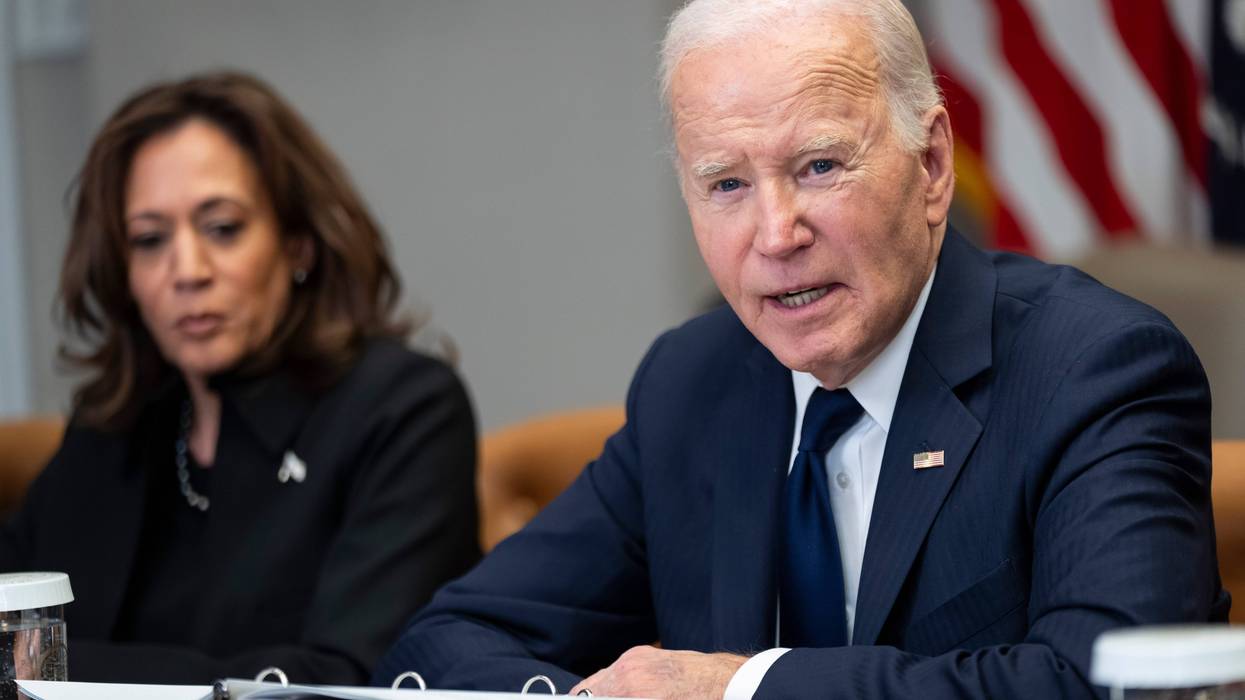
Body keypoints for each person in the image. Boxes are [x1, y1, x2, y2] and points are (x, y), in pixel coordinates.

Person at [374, 1, 1228, 697]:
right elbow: (452, 641)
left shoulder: (1095, 368)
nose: (774, 234)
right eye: (726, 185)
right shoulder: (694, 382)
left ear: (931, 165)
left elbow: (1107, 685)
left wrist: (745, 689)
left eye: (819, 166)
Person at [0, 71, 479, 685]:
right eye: (149, 240)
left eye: (222, 228)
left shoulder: (405, 408)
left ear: (298, 245)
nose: (187, 270)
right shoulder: (113, 426)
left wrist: (49, 676)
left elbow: (345, 680)